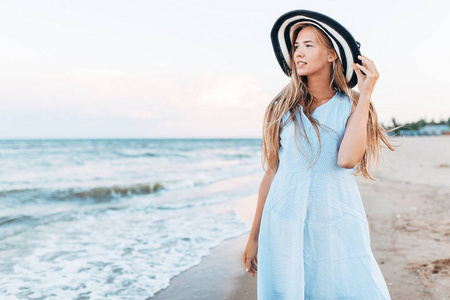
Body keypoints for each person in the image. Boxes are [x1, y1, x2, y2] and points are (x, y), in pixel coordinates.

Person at [242, 10, 399, 299]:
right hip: (283, 222)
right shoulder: (281, 108)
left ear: (331, 55)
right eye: (296, 47)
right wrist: (254, 237)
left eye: (308, 45)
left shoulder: (352, 106)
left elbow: (347, 160)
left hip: (335, 221)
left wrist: (365, 94)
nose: (298, 53)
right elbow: (272, 172)